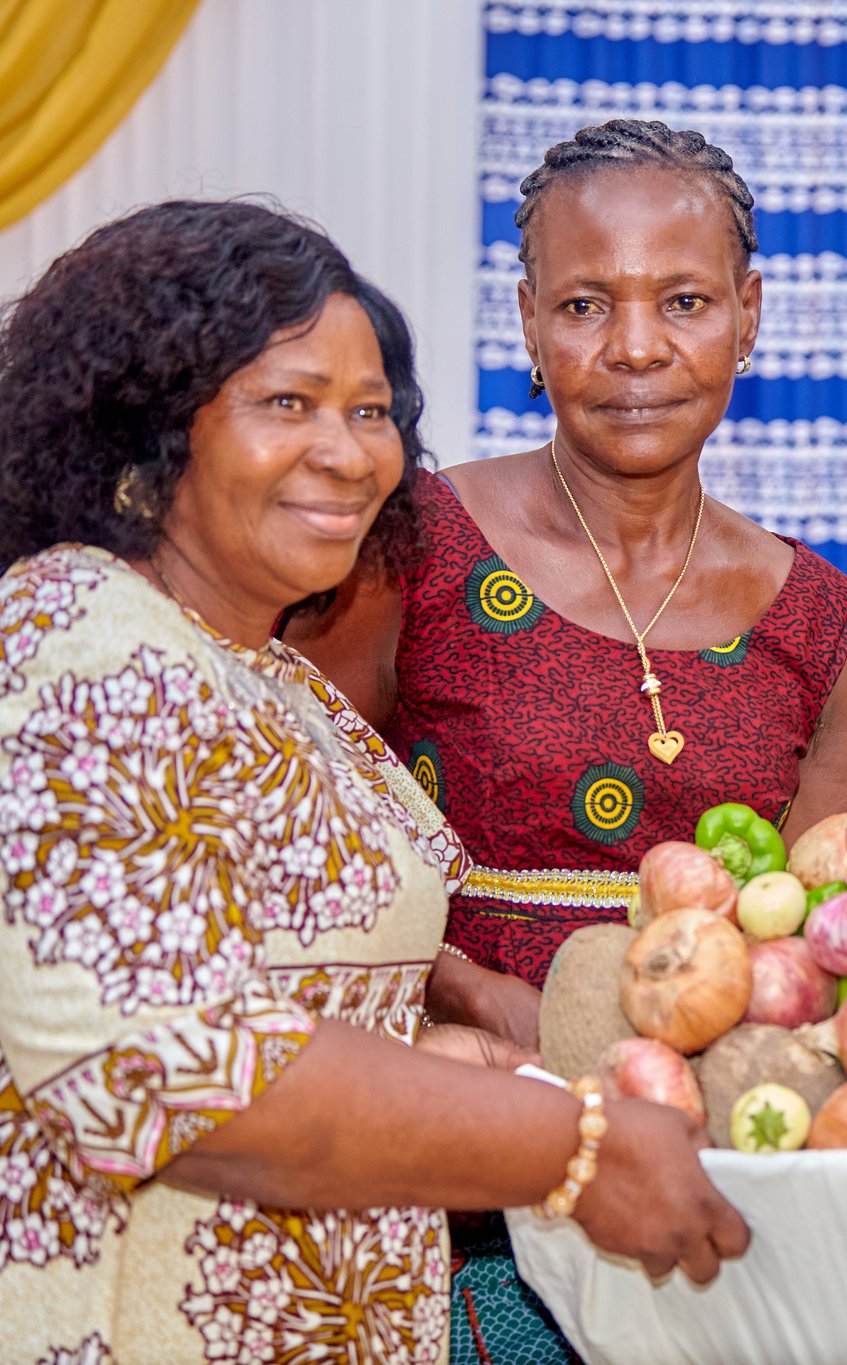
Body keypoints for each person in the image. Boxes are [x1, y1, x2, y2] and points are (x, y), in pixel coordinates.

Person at [0, 200, 746, 1363]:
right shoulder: (75, 628)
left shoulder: (277, 682)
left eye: (370, 413)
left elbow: (313, 1007)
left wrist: (489, 1055)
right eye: (287, 404)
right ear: (146, 430)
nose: (350, 452)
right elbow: (160, 1060)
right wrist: (569, 1145)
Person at [290, 119, 847, 1004]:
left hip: (698, 1103)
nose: (636, 347)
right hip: (439, 1083)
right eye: (584, 305)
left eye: (684, 301)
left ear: (746, 313)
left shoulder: (821, 619)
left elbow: (807, 946)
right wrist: (472, 997)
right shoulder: (411, 540)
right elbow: (299, 826)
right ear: (529, 320)